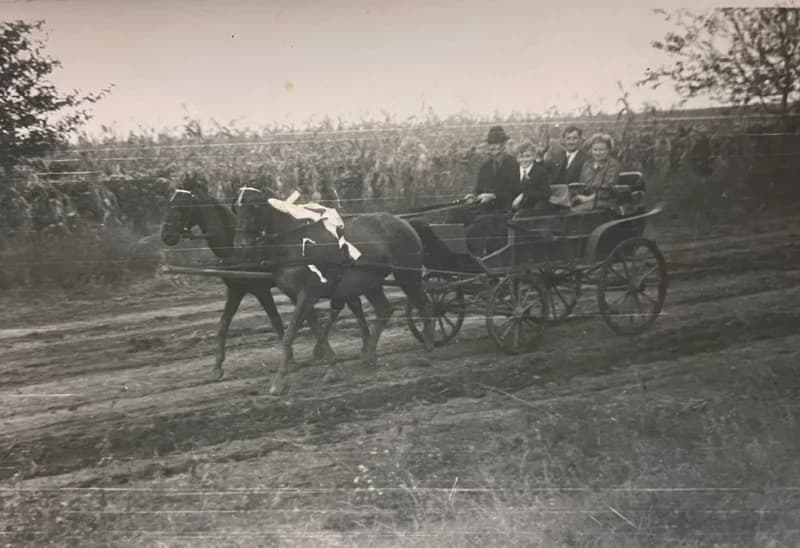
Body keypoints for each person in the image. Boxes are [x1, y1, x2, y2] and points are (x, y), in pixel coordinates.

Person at [464, 125, 521, 211]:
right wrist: (473, 196)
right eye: (490, 144)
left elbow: (515, 192)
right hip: (485, 208)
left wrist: (494, 196)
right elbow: (479, 190)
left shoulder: (514, 165)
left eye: (496, 143)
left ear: (503, 145)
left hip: (507, 209)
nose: (493, 147)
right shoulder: (485, 167)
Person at [572, 133, 622, 211]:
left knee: (575, 212)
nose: (598, 153)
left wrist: (587, 198)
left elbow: (607, 190)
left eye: (601, 150)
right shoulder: (587, 165)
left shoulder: (612, 165)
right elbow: (581, 185)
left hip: (605, 202)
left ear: (608, 150)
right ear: (591, 150)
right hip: (587, 200)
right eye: (595, 150)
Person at [512, 139, 553, 211]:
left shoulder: (541, 172)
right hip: (513, 206)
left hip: (532, 208)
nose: (524, 159)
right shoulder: (513, 171)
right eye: (521, 156)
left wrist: (524, 195)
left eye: (528, 156)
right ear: (517, 158)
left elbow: (545, 194)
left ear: (534, 156)